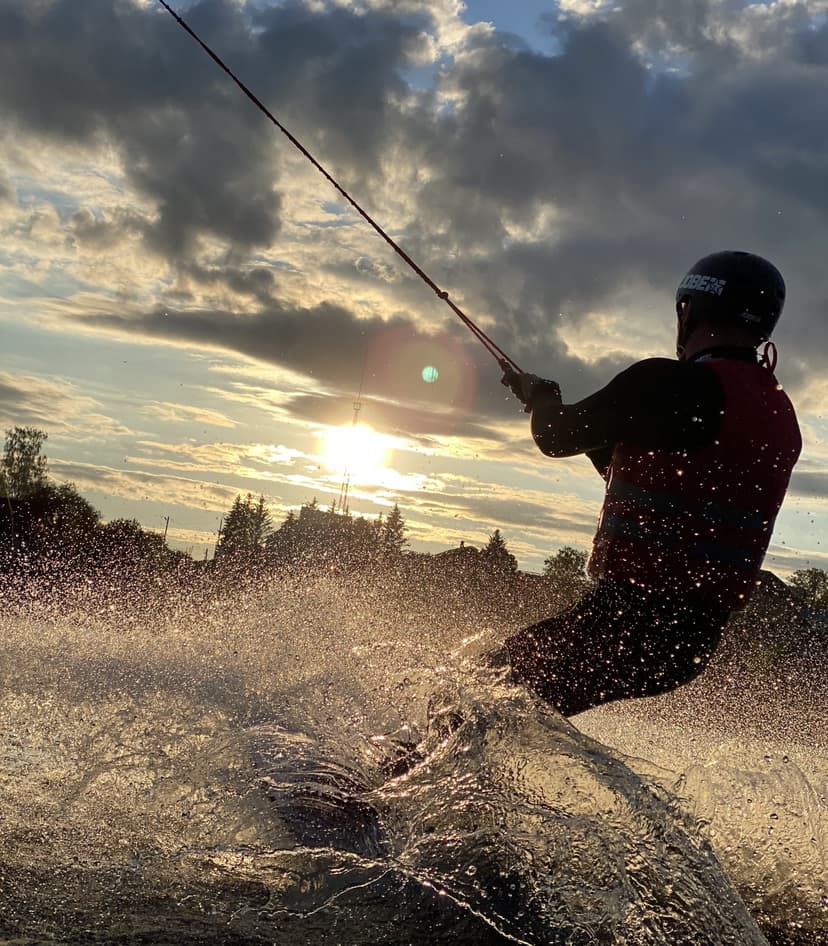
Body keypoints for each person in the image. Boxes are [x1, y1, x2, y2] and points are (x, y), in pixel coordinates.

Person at [499, 251, 802, 717]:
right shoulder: (778, 414)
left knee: (481, 693)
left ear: (689, 311)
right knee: (509, 709)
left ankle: (387, 789)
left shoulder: (667, 383)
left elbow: (555, 436)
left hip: (625, 622)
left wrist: (542, 397)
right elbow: (659, 486)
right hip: (686, 649)